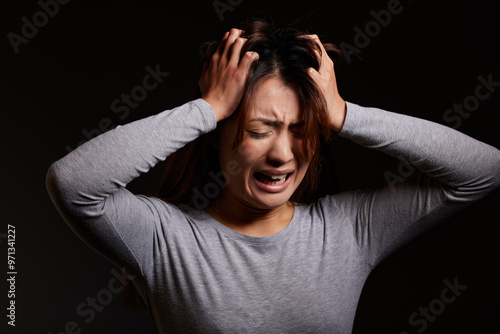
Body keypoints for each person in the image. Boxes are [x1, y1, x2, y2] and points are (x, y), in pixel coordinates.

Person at [46, 18, 500, 334]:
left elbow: (483, 170)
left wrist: (344, 114)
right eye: (259, 130)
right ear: (215, 135)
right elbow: (73, 183)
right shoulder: (166, 239)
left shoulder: (347, 232)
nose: (282, 153)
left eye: (301, 130)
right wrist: (206, 108)